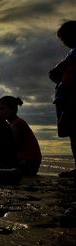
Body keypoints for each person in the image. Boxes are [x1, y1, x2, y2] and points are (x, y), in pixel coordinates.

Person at [49, 20, 76, 177]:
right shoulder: (72, 53)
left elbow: (57, 71)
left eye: (64, 38)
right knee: (73, 135)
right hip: (66, 98)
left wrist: (57, 72)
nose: (63, 42)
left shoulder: (74, 54)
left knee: (75, 134)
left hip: (71, 99)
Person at [0, 96, 42, 176]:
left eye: (3, 109)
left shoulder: (17, 123)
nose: (0, 112)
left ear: (13, 110)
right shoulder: (13, 123)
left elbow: (12, 146)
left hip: (28, 163)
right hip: (29, 162)